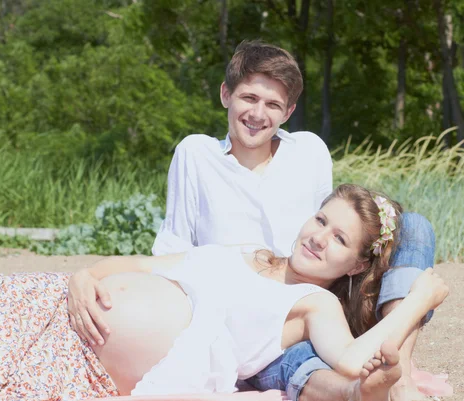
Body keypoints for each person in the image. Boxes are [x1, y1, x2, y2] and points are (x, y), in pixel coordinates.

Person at [70, 41, 438, 401]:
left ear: (289, 112)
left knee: (414, 226)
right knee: (293, 359)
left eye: (273, 104)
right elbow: (174, 248)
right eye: (249, 98)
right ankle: (349, 390)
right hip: (244, 297)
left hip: (305, 291)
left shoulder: (308, 151)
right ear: (225, 94)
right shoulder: (195, 154)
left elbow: (330, 226)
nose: (258, 114)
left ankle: (400, 369)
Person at [0, 185, 448, 401]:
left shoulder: (313, 304)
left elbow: (350, 359)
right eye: (322, 219)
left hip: (79, 367)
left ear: (358, 265)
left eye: (340, 239)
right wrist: (84, 276)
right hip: (47, 309)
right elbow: (141, 264)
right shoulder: (248, 251)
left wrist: (415, 304)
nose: (320, 237)